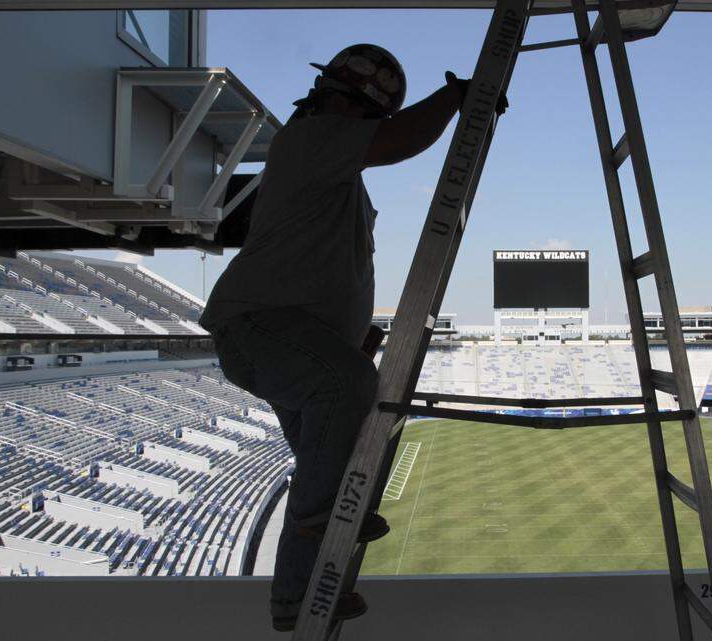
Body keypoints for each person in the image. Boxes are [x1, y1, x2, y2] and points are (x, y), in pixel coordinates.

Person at [199, 44, 500, 631]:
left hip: (287, 334)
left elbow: (320, 263)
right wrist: (458, 98)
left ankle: (308, 582)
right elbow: (399, 142)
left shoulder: (333, 170)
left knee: (332, 451)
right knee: (346, 388)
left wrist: (349, 334)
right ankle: (304, 574)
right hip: (261, 328)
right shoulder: (310, 138)